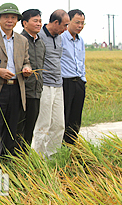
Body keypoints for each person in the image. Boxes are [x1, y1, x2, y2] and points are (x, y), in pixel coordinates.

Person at [0, 3, 32, 162]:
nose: (9, 20)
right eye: (6, 17)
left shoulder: (22, 40)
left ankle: (8, 164)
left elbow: (27, 61)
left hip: (16, 89)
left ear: (18, 20)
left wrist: (26, 69)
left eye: (13, 17)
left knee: (12, 130)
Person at [31, 9, 70, 158]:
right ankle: (38, 158)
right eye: (64, 25)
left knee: (59, 124)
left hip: (58, 85)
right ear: (55, 23)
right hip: (45, 85)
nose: (66, 29)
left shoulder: (59, 37)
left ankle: (52, 156)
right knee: (43, 124)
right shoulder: (39, 36)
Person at [18, 9, 46, 150]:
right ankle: (15, 161)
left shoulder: (41, 43)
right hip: (22, 93)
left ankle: (24, 159)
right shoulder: (19, 41)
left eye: (40, 21)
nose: (39, 24)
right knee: (19, 131)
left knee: (29, 130)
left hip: (36, 92)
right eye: (35, 20)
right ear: (24, 23)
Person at [61, 9, 86, 144]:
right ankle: (60, 146)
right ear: (68, 21)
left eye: (82, 23)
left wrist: (83, 80)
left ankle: (71, 145)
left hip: (79, 83)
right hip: (65, 83)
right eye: (77, 22)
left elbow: (81, 62)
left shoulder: (80, 40)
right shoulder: (61, 38)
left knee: (76, 118)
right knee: (64, 117)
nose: (80, 26)